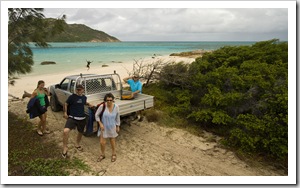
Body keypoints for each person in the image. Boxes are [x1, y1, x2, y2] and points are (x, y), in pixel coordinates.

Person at [62, 84, 92, 158]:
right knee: (65, 131)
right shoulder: (72, 97)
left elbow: (84, 102)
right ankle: (65, 147)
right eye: (77, 89)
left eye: (80, 89)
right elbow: (66, 104)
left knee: (80, 132)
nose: (78, 91)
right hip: (72, 118)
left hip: (82, 118)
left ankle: (77, 144)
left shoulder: (84, 97)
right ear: (76, 90)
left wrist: (89, 104)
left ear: (83, 90)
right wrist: (65, 112)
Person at [95, 93, 120, 162]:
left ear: (113, 100)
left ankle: (114, 154)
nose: (109, 102)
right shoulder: (102, 106)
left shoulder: (116, 107)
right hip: (104, 127)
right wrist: (100, 123)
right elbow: (96, 115)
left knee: (112, 141)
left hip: (112, 126)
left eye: (110, 100)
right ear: (105, 100)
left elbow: (117, 117)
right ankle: (102, 155)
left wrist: (117, 126)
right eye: (107, 100)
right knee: (102, 142)